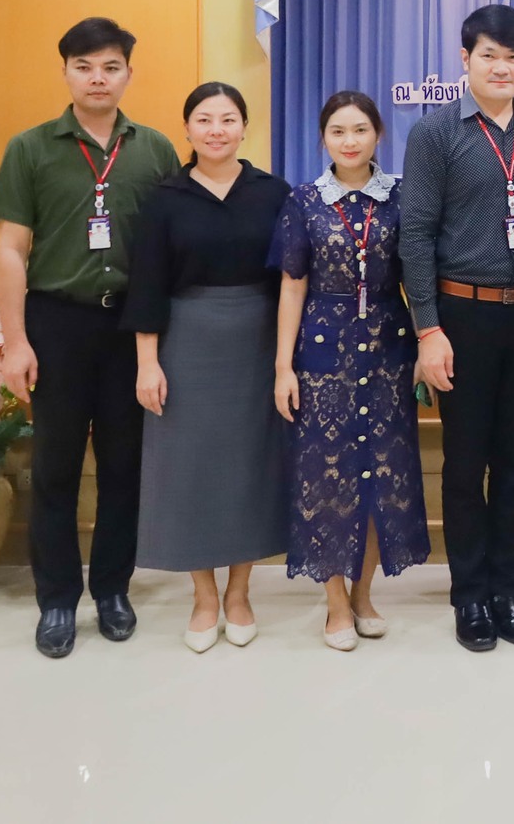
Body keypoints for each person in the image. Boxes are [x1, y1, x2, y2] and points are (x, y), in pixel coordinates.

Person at [0, 17, 180, 658]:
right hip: (57, 324)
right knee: (56, 468)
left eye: (111, 67)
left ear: (128, 74)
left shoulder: (154, 150)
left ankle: (114, 590)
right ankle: (58, 600)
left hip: (130, 328)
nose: (98, 79)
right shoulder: (30, 148)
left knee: (124, 467)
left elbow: (169, 249)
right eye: (84, 67)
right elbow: (11, 250)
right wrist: (15, 341)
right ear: (66, 72)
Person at [401, 5, 514, 653]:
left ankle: (506, 590)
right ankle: (469, 594)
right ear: (465, 59)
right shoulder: (435, 132)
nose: (502, 67)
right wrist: (428, 330)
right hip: (461, 317)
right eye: (489, 56)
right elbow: (415, 235)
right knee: (466, 462)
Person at [123, 82, 291, 652]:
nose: (216, 130)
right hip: (185, 343)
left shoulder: (273, 193)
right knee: (189, 466)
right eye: (204, 119)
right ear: (187, 129)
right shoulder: (165, 197)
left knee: (248, 466)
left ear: (244, 127)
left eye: (227, 119)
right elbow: (147, 283)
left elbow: (292, 281)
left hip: (259, 342)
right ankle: (202, 596)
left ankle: (240, 593)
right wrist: (148, 362)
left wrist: (288, 359)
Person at [271, 91, 430, 651]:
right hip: (323, 353)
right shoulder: (304, 201)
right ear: (323, 139)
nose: (350, 141)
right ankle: (335, 603)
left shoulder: (401, 198)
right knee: (328, 476)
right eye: (338, 131)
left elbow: (418, 278)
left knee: (380, 476)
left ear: (378, 135)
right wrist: (283, 366)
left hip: (388, 351)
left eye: (360, 129)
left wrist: (427, 343)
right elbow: (292, 286)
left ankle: (364, 596)